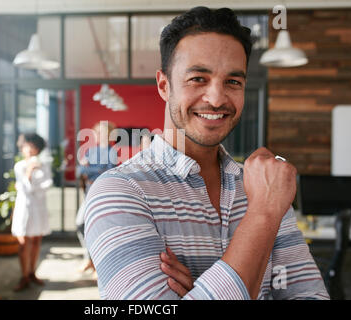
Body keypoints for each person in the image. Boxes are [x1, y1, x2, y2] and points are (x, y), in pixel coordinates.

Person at [84, 7, 329, 300]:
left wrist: (202, 290)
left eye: (233, 82)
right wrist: (262, 216)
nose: (216, 98)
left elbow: (310, 296)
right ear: (164, 85)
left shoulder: (261, 188)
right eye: (198, 78)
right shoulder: (119, 192)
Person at [11, 133, 53, 291]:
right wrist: (29, 173)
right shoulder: (19, 166)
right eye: (26, 146)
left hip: (39, 208)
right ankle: (24, 276)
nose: (29, 150)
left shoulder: (44, 165)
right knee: (23, 242)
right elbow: (24, 188)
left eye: (32, 146)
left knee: (36, 241)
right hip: (24, 207)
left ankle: (32, 272)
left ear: (37, 148)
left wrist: (32, 187)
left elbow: (47, 184)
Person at [76, 121, 118, 274]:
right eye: (97, 132)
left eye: (102, 132)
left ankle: (97, 263)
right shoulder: (90, 151)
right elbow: (79, 171)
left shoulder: (112, 152)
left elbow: (108, 173)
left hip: (102, 194)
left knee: (97, 228)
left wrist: (89, 169)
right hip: (88, 193)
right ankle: (90, 259)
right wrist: (93, 170)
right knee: (81, 224)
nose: (99, 135)